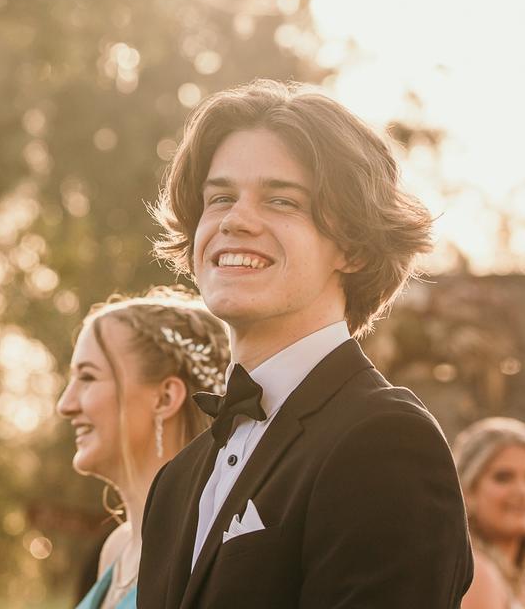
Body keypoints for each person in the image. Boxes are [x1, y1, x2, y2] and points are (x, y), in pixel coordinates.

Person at [138, 79, 473, 608]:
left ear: (355, 250)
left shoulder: (385, 441)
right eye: (220, 197)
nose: (235, 220)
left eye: (281, 201)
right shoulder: (175, 483)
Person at [57, 287, 230, 609]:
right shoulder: (115, 550)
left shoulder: (208, 551)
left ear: (165, 398)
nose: (64, 405)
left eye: (88, 378)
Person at [453, 417, 525, 609]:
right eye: (503, 478)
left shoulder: (520, 578)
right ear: (467, 490)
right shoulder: (478, 574)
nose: (522, 492)